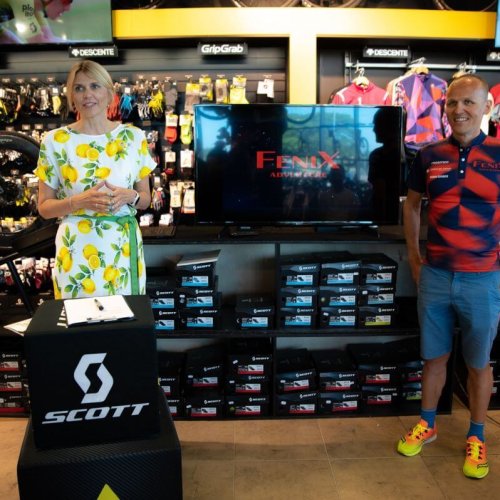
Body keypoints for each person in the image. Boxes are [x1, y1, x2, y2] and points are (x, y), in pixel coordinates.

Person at [397, 74, 500, 479]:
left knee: (478, 363)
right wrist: (414, 256)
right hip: (436, 275)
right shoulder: (428, 155)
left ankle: (477, 435)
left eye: (468, 103)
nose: (459, 110)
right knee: (433, 357)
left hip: (483, 278)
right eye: (452, 103)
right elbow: (412, 206)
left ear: (486, 107)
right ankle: (428, 424)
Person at [35, 59, 155, 299]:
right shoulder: (55, 141)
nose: (87, 94)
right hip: (76, 251)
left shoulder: (133, 137)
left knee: (124, 318)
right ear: (71, 96)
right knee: (77, 319)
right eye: (79, 88)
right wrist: (78, 201)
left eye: (94, 86)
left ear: (109, 93)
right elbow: (44, 208)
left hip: (122, 249)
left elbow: (145, 200)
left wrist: (131, 196)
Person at [0, 0, 73, 44]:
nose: (68, 8)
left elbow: (49, 38)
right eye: (66, 1)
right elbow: (39, 42)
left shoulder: (35, 5)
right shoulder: (24, 1)